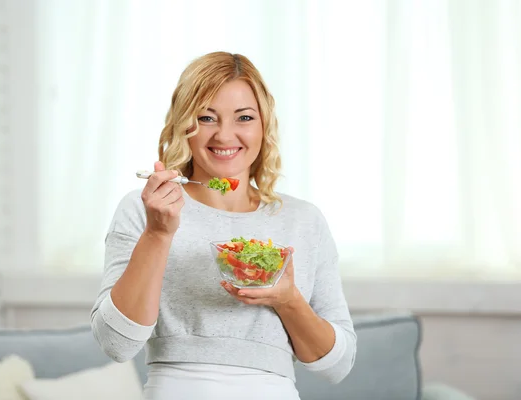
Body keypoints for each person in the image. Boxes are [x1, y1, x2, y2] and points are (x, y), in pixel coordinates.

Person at [91, 52, 357, 400]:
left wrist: (288, 300)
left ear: (264, 125)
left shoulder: (303, 220)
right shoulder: (147, 210)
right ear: (184, 125)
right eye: (207, 118)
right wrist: (158, 234)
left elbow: (337, 365)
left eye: (244, 117)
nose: (224, 135)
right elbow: (116, 344)